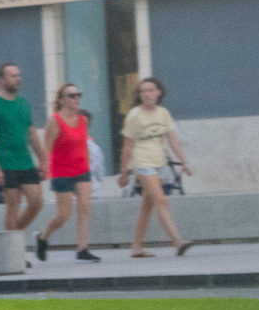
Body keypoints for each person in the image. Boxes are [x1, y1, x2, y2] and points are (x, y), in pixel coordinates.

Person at [117, 76, 192, 257]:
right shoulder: (134, 115)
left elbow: (173, 140)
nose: (147, 94)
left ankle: (136, 247)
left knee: (147, 205)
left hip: (159, 161)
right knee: (161, 199)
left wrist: (184, 161)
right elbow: (127, 145)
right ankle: (177, 241)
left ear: (158, 93)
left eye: (151, 90)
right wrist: (124, 170)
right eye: (143, 91)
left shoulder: (163, 113)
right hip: (142, 161)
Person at [35, 84, 99, 262]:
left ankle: (82, 249)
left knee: (85, 206)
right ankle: (43, 237)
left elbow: (83, 145)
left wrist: (88, 166)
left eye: (78, 95)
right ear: (61, 99)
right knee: (64, 215)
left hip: (81, 169)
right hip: (61, 171)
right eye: (71, 96)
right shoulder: (54, 121)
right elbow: (47, 148)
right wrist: (44, 169)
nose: (76, 98)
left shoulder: (82, 120)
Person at [0, 62, 42, 232]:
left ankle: (13, 237)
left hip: (25, 161)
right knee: (13, 205)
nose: (18, 79)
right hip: (5, 163)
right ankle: (12, 251)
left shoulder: (23, 103)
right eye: (13, 76)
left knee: (37, 202)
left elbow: (32, 134)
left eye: (19, 75)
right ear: (1, 80)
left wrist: (43, 159)